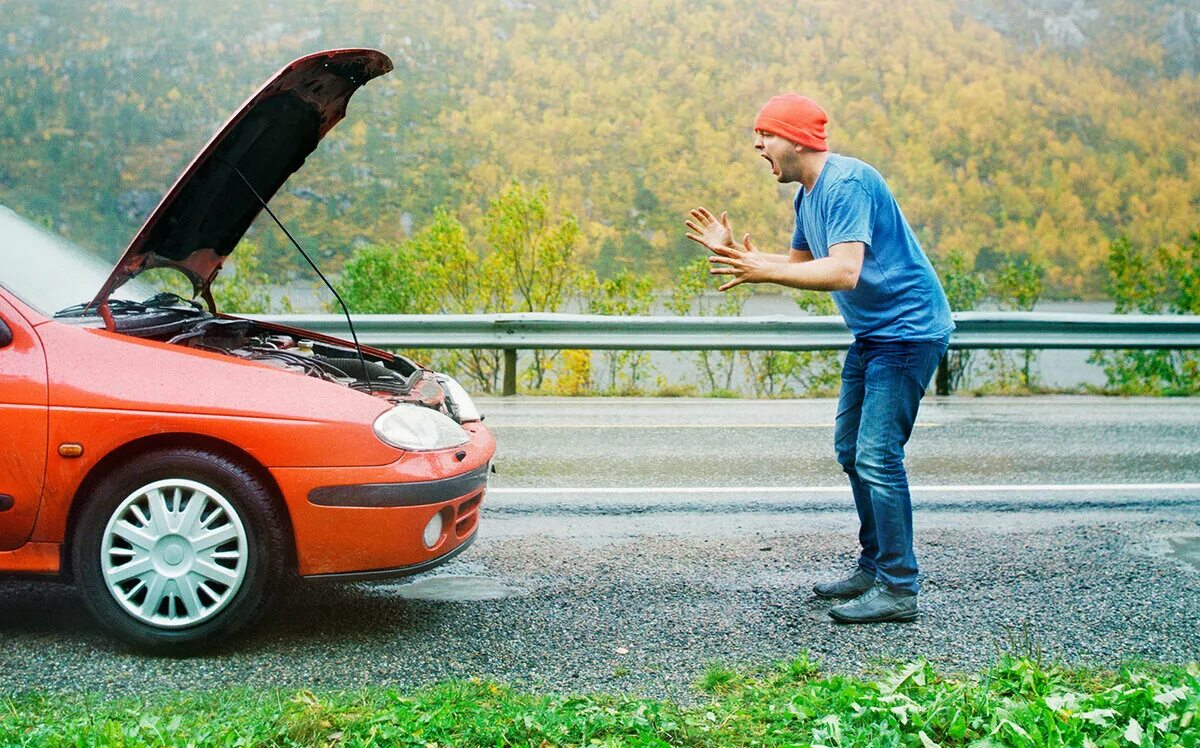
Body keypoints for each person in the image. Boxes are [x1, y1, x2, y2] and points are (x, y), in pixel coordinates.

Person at [684, 94, 954, 623]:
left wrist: (760, 271)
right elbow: (799, 267)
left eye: (765, 135)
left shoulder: (848, 184)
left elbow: (844, 271)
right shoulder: (806, 199)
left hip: (909, 331)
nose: (757, 146)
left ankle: (900, 587)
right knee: (852, 451)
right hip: (876, 334)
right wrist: (733, 254)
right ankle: (875, 566)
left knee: (878, 455)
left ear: (797, 138)